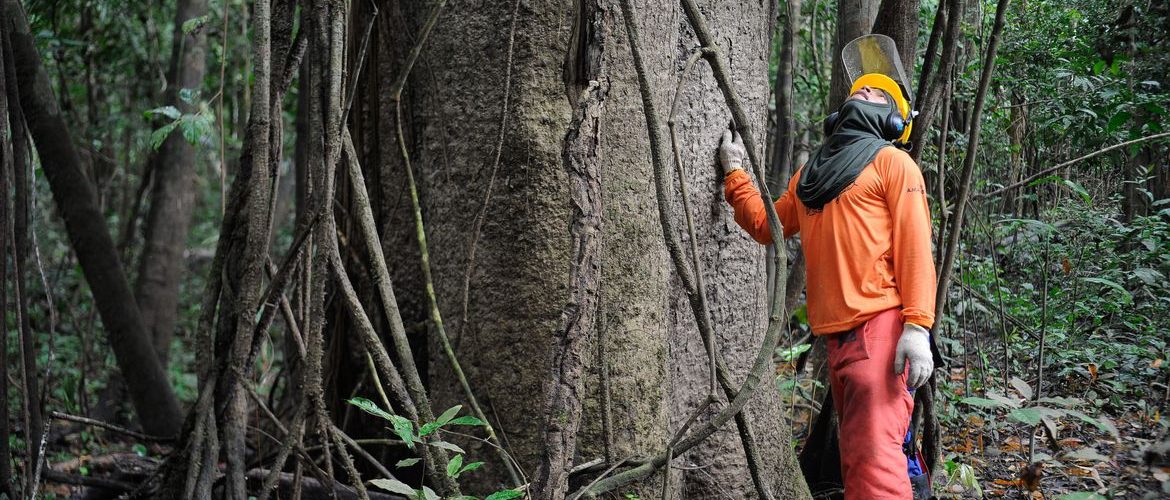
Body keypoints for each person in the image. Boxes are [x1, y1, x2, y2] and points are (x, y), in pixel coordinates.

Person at [718, 74, 936, 497]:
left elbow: (915, 248)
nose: (865, 91)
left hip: (881, 330)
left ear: (894, 122)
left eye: (879, 94)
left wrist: (917, 327)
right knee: (856, 458)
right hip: (837, 339)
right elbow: (766, 224)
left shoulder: (894, 164)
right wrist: (734, 172)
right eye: (861, 89)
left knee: (875, 461)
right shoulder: (811, 174)